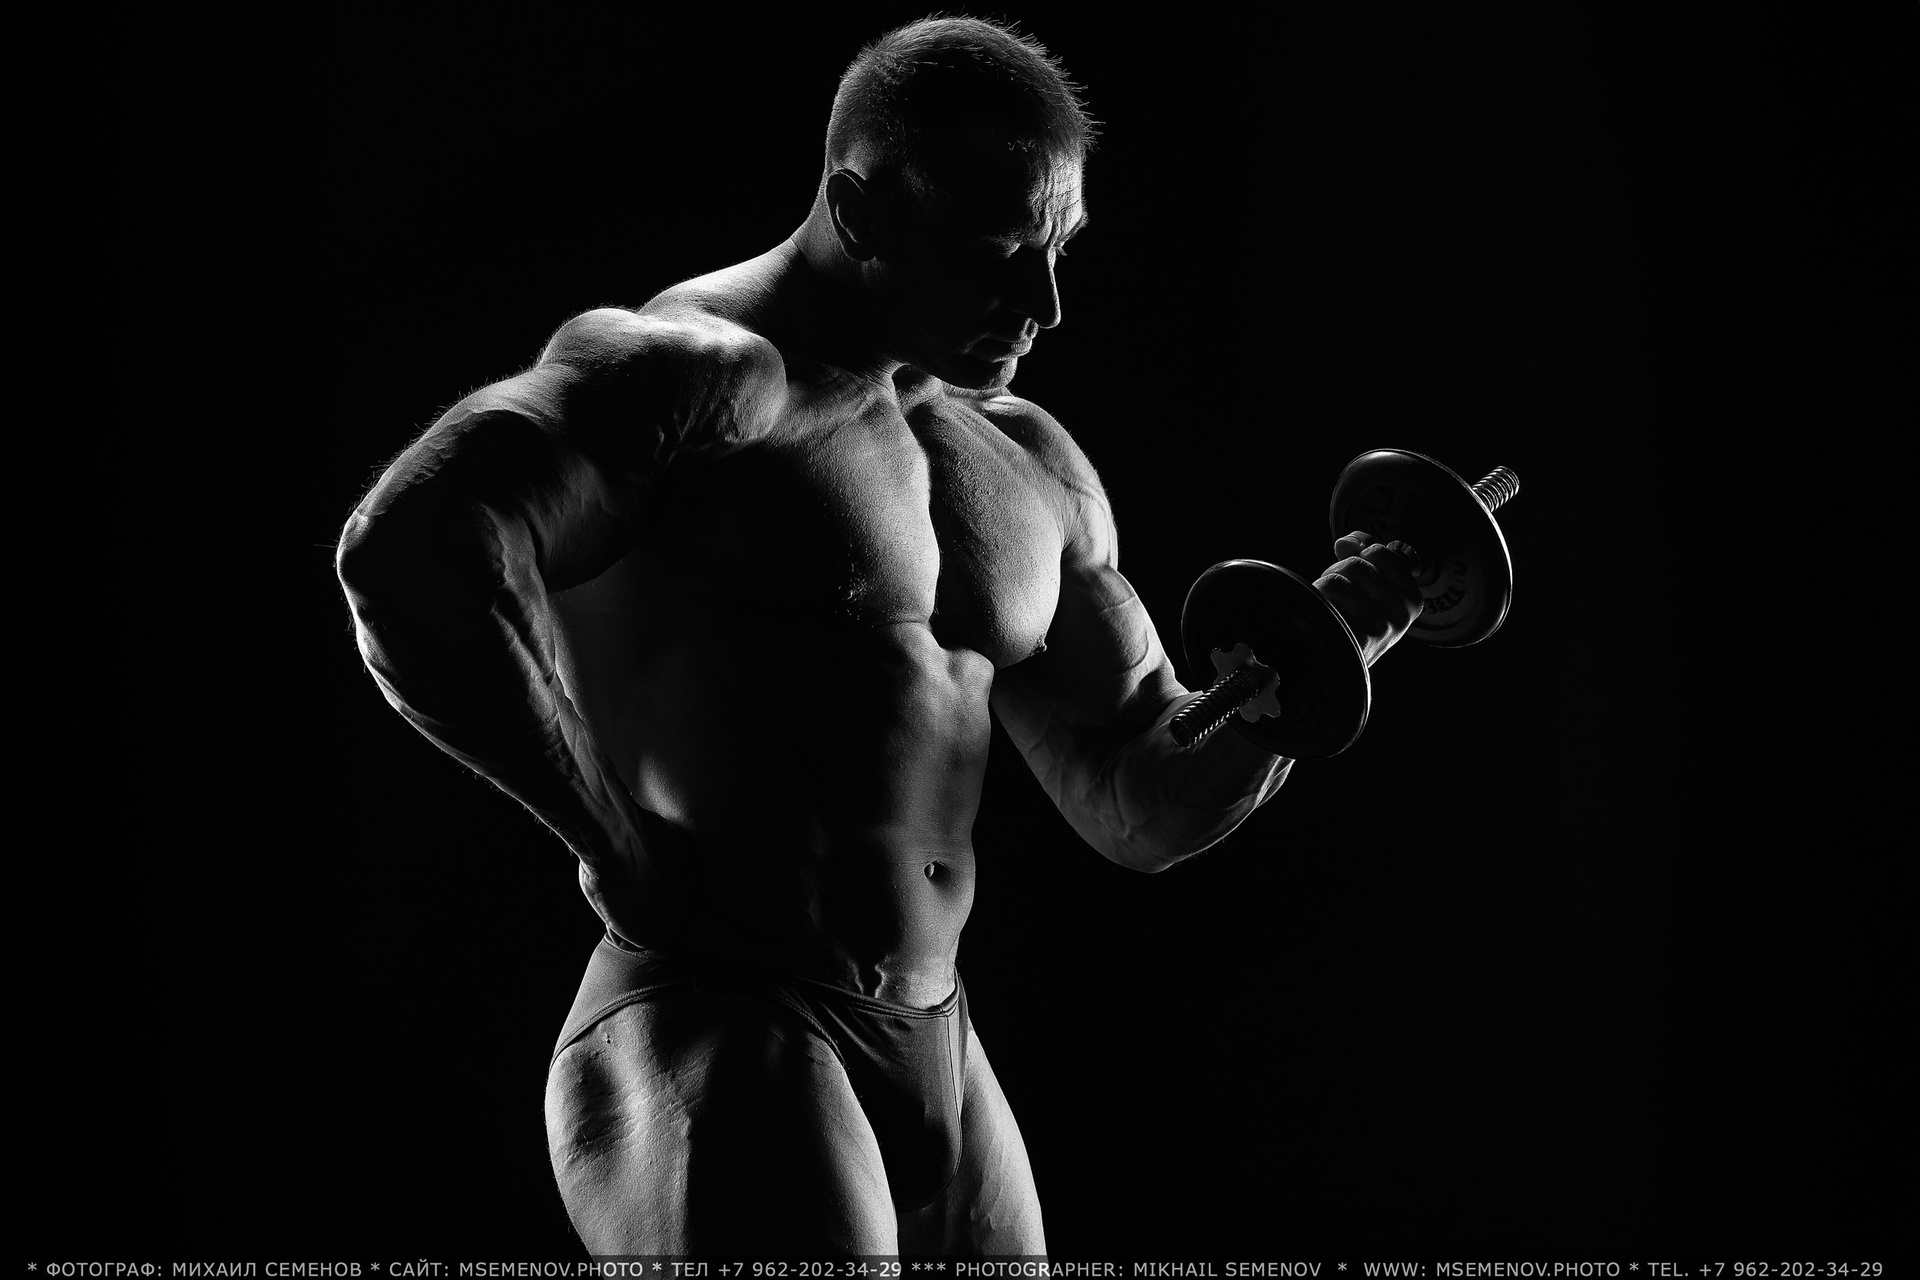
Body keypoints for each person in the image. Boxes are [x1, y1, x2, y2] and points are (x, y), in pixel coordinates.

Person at [336, 16, 1421, 1256]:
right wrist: (612, 841)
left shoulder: (1025, 458)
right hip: (721, 1012)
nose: (1047, 304)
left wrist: (1320, 650)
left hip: (941, 1036)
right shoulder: (697, 376)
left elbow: (1139, 799)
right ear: (859, 212)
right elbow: (409, 552)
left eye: (1060, 249)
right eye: (999, 252)